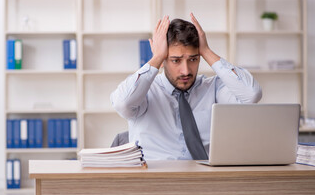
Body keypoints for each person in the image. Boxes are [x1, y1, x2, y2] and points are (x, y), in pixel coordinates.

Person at [110, 13, 262, 160]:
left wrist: (206, 51)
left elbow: (251, 95)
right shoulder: (146, 91)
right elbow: (122, 103)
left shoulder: (212, 88)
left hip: (206, 178)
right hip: (156, 179)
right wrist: (156, 57)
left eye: (193, 59)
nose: (186, 70)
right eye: (176, 60)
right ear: (163, 59)